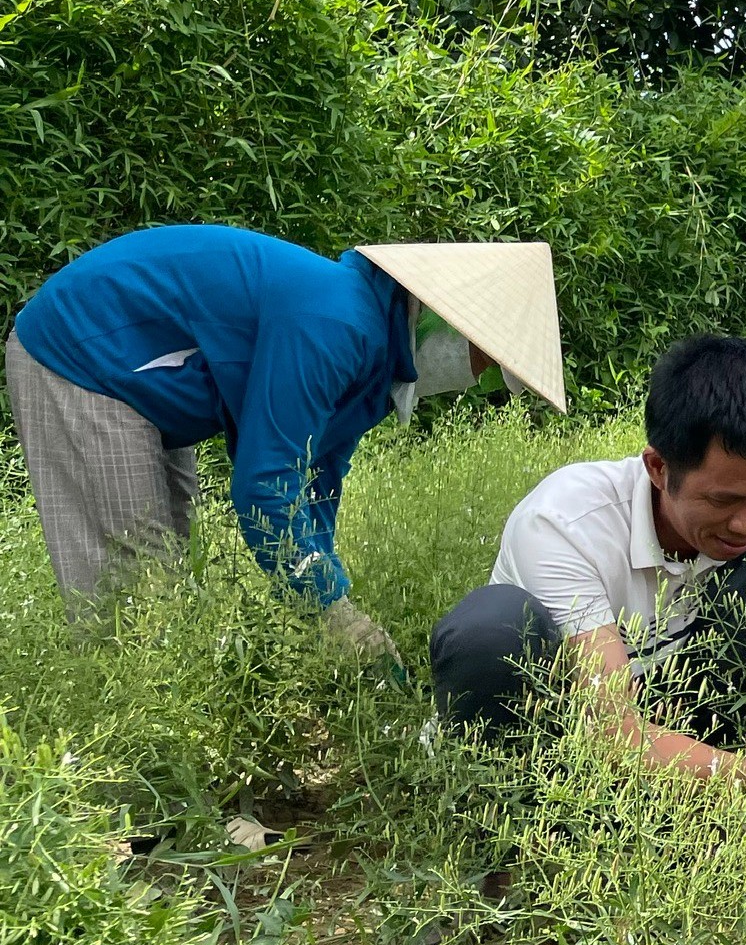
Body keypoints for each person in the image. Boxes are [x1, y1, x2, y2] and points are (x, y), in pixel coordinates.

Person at [6, 224, 569, 661]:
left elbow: (316, 483)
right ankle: (129, 794)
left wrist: (328, 595)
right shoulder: (339, 324)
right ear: (444, 323)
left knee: (167, 588)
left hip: (143, 390)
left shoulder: (373, 362)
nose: (477, 378)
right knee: (134, 594)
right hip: (84, 349)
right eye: (485, 361)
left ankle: (170, 784)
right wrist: (329, 608)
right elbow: (264, 486)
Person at [429, 334, 746, 780]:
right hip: (565, 732)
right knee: (489, 630)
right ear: (658, 467)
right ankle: (504, 845)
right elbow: (612, 733)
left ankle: (716, 777)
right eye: (724, 501)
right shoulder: (565, 522)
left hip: (681, 716)